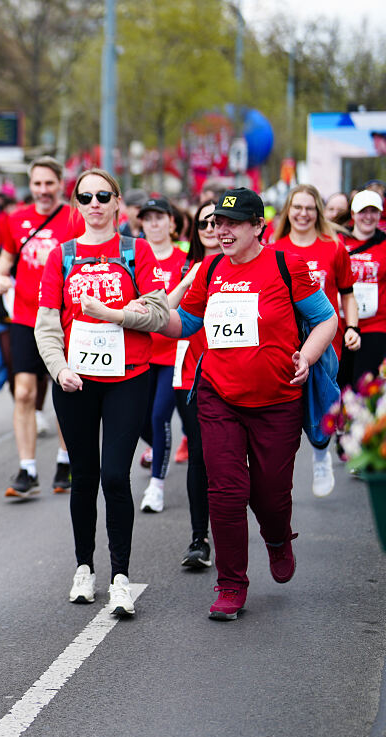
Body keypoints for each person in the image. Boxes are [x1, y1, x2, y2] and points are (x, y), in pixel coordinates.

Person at [157, 188, 337, 620]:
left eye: (233, 223)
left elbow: (326, 318)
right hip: (219, 396)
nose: (222, 230)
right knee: (226, 491)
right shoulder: (211, 269)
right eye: (218, 222)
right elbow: (188, 323)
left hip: (277, 401)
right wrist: (147, 318)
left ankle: (277, 538)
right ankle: (231, 583)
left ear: (259, 226)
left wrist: (307, 357)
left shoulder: (284, 264)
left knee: (270, 495)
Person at [35, 169, 169, 616]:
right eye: (85, 196)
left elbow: (157, 314)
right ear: (76, 205)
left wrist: (111, 313)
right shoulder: (62, 256)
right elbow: (47, 323)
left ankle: (120, 577)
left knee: (115, 475)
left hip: (128, 379)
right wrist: (58, 369)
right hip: (76, 381)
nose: (94, 203)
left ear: (117, 205)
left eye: (103, 195)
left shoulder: (137, 252)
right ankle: (83, 568)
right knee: (83, 477)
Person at [0, 157, 83, 497]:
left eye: (49, 183)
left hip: (64, 319)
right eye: (37, 184)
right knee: (25, 392)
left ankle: (65, 461)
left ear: (61, 184)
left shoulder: (74, 219)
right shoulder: (16, 220)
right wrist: (0, 276)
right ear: (29, 186)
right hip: (24, 318)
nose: (43, 191)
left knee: (65, 390)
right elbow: (6, 258)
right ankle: (27, 470)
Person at [271, 184, 359, 497]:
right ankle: (278, 469)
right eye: (297, 207)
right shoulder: (273, 247)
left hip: (324, 341)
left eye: (310, 208)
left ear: (317, 212)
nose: (303, 214)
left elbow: (347, 294)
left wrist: (354, 327)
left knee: (320, 399)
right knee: (286, 406)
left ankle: (321, 454)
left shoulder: (333, 247)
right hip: (283, 339)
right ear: (288, 211)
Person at [133, 197, 188, 515]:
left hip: (173, 353)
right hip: (140, 352)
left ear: (172, 222)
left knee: (159, 417)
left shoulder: (183, 260)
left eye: (159, 218)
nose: (153, 224)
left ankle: (156, 487)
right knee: (140, 419)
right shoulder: (133, 257)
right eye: (147, 219)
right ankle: (159, 448)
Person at [171, 201, 218, 569]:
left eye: (218, 221)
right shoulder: (185, 268)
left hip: (239, 376)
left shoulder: (244, 266)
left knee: (229, 460)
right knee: (200, 455)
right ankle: (199, 538)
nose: (211, 227)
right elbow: (162, 313)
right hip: (192, 376)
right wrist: (189, 279)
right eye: (203, 222)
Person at [339, 190, 386, 390]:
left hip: (376, 324)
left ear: (380, 215)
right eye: (363, 211)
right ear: (353, 214)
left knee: (365, 384)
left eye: (374, 211)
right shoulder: (337, 242)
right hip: (339, 325)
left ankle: (362, 421)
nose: (368, 216)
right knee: (340, 384)